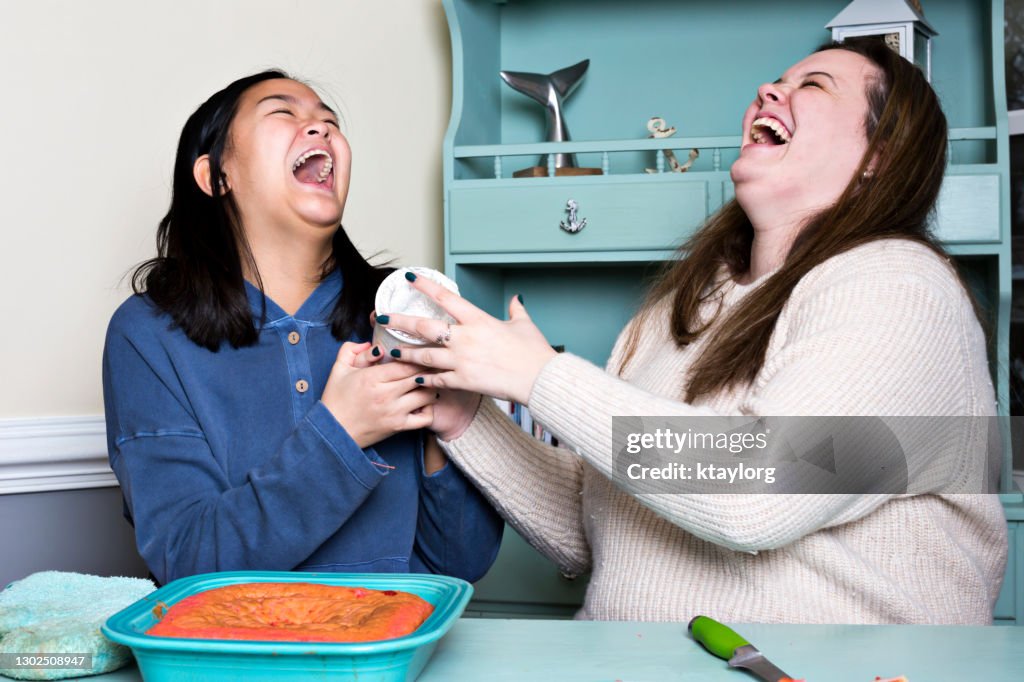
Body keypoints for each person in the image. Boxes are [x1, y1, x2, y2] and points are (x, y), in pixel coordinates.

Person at [374, 38, 1008, 624]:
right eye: (775, 81)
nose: (768, 90)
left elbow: (761, 490)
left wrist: (540, 377)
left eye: (813, 85)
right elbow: (594, 527)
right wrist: (463, 415)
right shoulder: (669, 315)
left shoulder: (903, 289)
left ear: (879, 156)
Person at [102, 70, 502, 586]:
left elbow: (457, 568)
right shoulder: (146, 334)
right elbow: (188, 562)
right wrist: (343, 431)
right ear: (217, 176)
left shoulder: (408, 311)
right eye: (283, 113)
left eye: (328, 121)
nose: (320, 128)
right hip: (239, 660)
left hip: (392, 655)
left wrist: (451, 430)